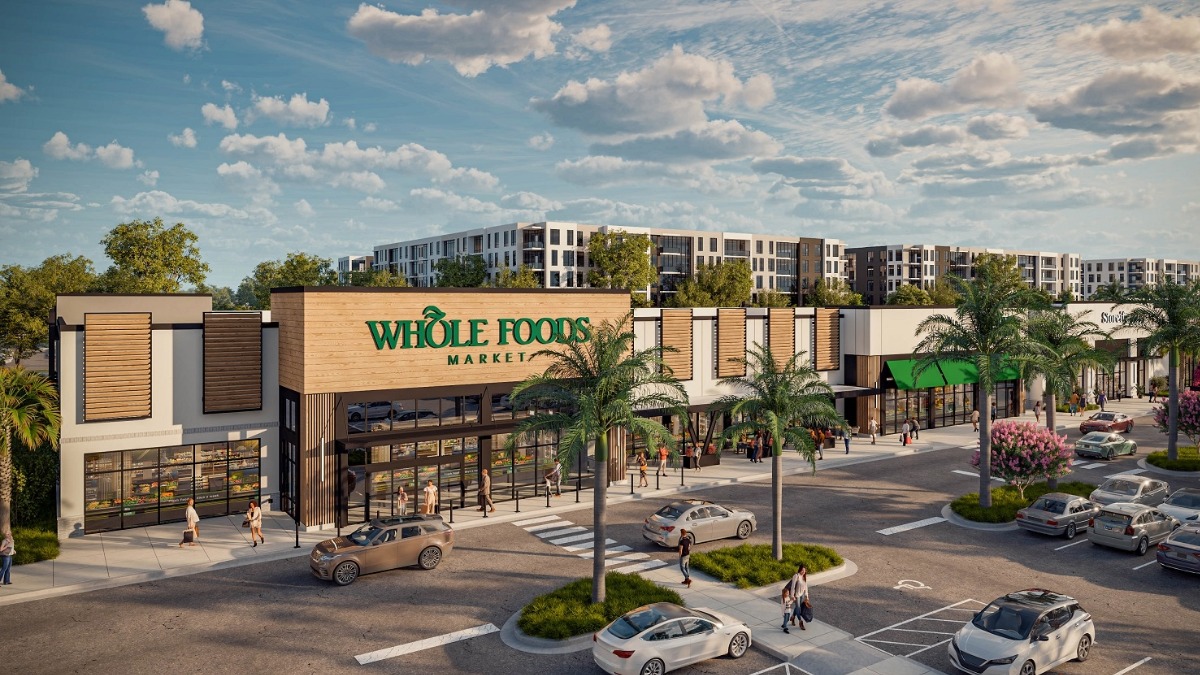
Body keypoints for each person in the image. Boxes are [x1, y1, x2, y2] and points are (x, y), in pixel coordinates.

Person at [786, 565, 810, 630]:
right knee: (798, 608)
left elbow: (806, 587)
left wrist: (806, 596)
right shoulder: (796, 576)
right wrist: (792, 596)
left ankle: (793, 617)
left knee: (797, 607)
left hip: (802, 595)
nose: (803, 572)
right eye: (802, 570)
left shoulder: (804, 577)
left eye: (804, 571)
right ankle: (800, 621)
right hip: (796, 595)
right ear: (799, 570)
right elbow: (793, 586)